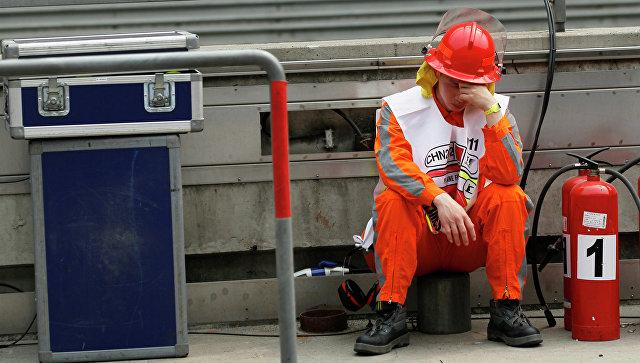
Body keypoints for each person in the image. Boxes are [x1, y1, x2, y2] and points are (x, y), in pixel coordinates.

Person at [353, 9, 542, 355]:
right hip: (416, 240)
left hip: (467, 239)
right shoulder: (397, 109)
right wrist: (438, 198)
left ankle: (506, 310)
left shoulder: (496, 110)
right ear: (435, 70)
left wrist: (492, 113)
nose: (463, 92)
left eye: (475, 84)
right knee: (392, 198)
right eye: (455, 82)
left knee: (510, 196)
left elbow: (509, 173)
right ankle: (390, 313)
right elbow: (392, 165)